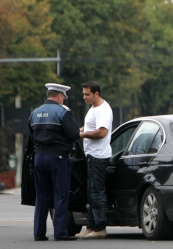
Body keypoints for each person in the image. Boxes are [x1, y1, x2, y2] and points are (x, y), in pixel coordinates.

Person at [28, 83, 80, 241]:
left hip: (39, 158)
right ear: (59, 96)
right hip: (57, 158)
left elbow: (31, 136)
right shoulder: (62, 112)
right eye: (63, 97)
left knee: (42, 196)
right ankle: (60, 232)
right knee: (61, 195)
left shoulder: (35, 113)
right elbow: (74, 134)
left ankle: (39, 233)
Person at [76, 81, 113, 239]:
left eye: (87, 94)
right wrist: (79, 130)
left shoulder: (103, 110)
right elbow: (91, 126)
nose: (84, 97)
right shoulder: (94, 108)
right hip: (91, 155)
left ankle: (100, 227)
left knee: (97, 193)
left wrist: (82, 135)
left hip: (98, 156)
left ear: (96, 94)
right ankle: (90, 226)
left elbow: (102, 132)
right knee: (91, 193)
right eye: (83, 94)